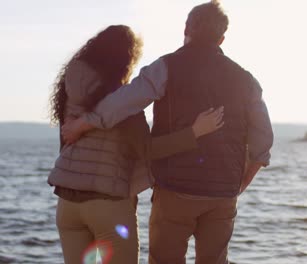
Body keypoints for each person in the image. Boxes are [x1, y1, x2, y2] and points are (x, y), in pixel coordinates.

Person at [62, 1, 274, 263]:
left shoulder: (165, 67)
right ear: (222, 38)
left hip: (175, 190)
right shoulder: (246, 80)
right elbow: (263, 141)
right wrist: (240, 184)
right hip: (223, 193)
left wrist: (85, 122)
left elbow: (123, 101)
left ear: (187, 28)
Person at [48, 25, 224, 264]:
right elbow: (149, 150)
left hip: (67, 206)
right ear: (125, 60)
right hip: (108, 204)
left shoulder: (69, 96)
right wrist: (194, 132)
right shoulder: (123, 104)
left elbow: (66, 143)